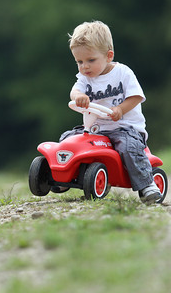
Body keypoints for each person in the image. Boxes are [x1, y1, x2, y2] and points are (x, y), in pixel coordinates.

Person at [61, 20, 161, 204]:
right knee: (68, 139)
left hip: (125, 128)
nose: (84, 67)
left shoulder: (123, 73)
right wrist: (79, 96)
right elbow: (74, 91)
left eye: (90, 60)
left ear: (108, 55)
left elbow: (137, 96)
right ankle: (62, 176)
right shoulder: (84, 77)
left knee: (127, 147)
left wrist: (120, 109)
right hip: (96, 129)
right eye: (79, 61)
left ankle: (148, 185)